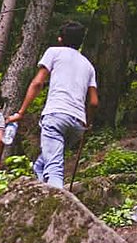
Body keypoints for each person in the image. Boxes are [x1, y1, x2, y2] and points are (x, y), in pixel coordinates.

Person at [8, 20, 99, 189]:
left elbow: (37, 83)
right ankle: (41, 192)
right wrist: (88, 123)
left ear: (60, 39)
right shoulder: (88, 66)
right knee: (41, 164)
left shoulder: (54, 52)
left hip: (56, 115)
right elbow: (93, 102)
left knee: (54, 169)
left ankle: (56, 204)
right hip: (77, 123)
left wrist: (21, 112)